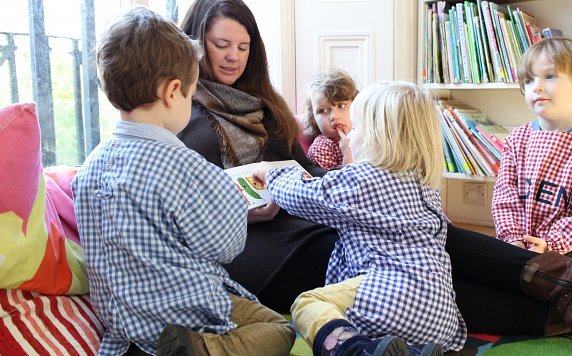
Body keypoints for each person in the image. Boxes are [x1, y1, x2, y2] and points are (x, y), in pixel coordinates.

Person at [71, 7, 294, 355]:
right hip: (189, 311)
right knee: (280, 330)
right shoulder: (184, 164)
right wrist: (233, 201)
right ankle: (204, 350)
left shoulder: (88, 170)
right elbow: (227, 245)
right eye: (191, 95)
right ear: (173, 91)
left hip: (125, 322)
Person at [251, 81, 465, 355]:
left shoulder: (364, 179)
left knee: (307, 304)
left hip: (391, 299)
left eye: (358, 127)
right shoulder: (424, 182)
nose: (350, 135)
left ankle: (352, 350)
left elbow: (304, 196)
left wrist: (272, 173)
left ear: (379, 136)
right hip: (439, 314)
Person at [178, 0, 338, 312]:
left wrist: (354, 182)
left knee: (414, 239)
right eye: (221, 44)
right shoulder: (179, 110)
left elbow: (304, 168)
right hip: (247, 246)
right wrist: (237, 214)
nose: (233, 57)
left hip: (300, 220)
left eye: (243, 47)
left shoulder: (265, 103)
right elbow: (177, 208)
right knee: (366, 258)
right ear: (196, 45)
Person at [447, 37, 572, 346]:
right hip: (520, 247)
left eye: (550, 76)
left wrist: (551, 244)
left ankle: (570, 305)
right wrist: (512, 238)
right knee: (463, 274)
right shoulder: (518, 137)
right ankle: (555, 311)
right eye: (529, 80)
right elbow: (504, 195)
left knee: (554, 275)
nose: (537, 86)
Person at [303, 69, 358, 170]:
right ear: (313, 118)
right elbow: (336, 183)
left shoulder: (364, 136)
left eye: (341, 106)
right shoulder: (320, 149)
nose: (334, 116)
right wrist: (348, 153)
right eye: (323, 110)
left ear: (356, 106)